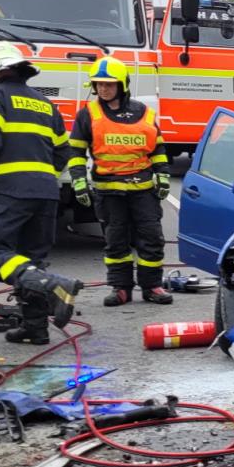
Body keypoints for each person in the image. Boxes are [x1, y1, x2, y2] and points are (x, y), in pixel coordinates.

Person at [0, 42, 84, 345]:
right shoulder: (45, 104)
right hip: (46, 192)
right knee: (30, 260)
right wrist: (41, 176)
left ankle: (54, 285)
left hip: (9, 190)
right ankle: (35, 328)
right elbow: (63, 151)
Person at [66, 57, 172, 306]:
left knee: (152, 238)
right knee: (116, 241)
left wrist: (163, 174)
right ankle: (121, 288)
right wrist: (79, 181)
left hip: (143, 190)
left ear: (122, 85)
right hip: (109, 192)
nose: (103, 89)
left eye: (109, 84)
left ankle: (152, 286)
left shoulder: (144, 112)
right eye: (99, 84)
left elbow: (157, 148)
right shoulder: (88, 114)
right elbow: (76, 152)